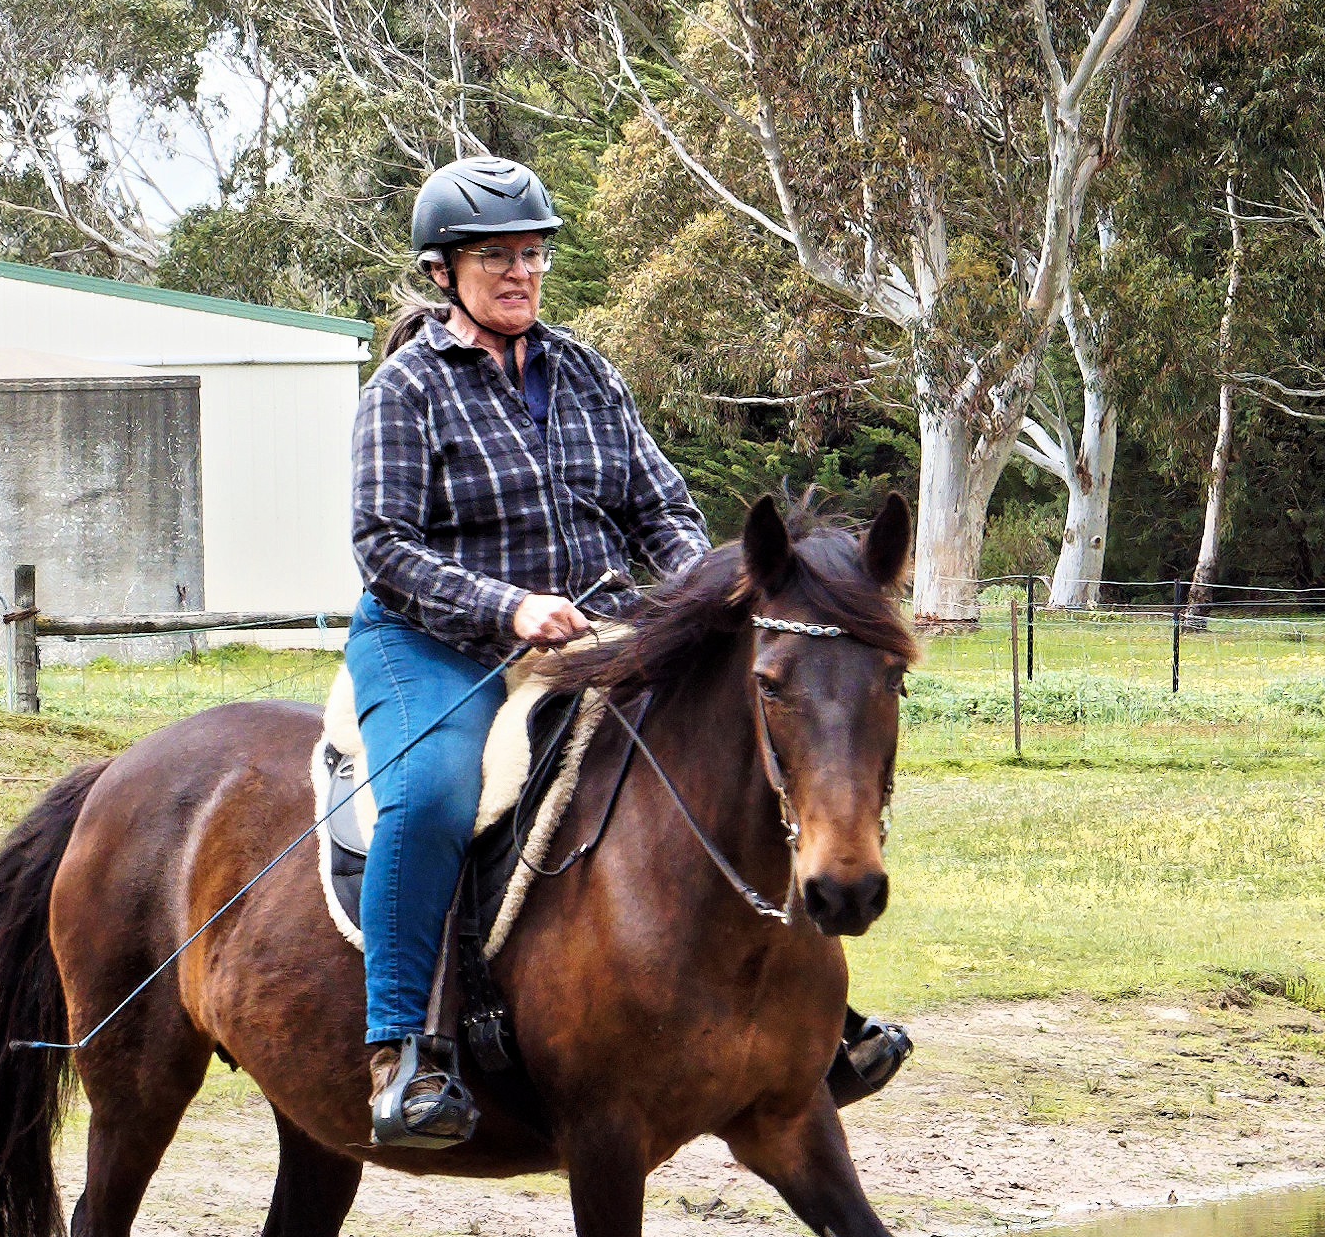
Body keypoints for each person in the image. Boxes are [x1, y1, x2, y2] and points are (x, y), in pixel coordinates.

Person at [345, 155, 912, 1148]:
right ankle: (405, 1051)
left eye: (531, 255)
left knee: (726, 760)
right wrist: (509, 606)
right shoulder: (407, 391)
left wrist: (719, 599)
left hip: (597, 626)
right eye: (494, 260)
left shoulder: (583, 370)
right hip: (434, 641)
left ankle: (811, 1023)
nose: (520, 274)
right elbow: (384, 544)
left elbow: (660, 506)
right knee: (436, 792)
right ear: (444, 274)